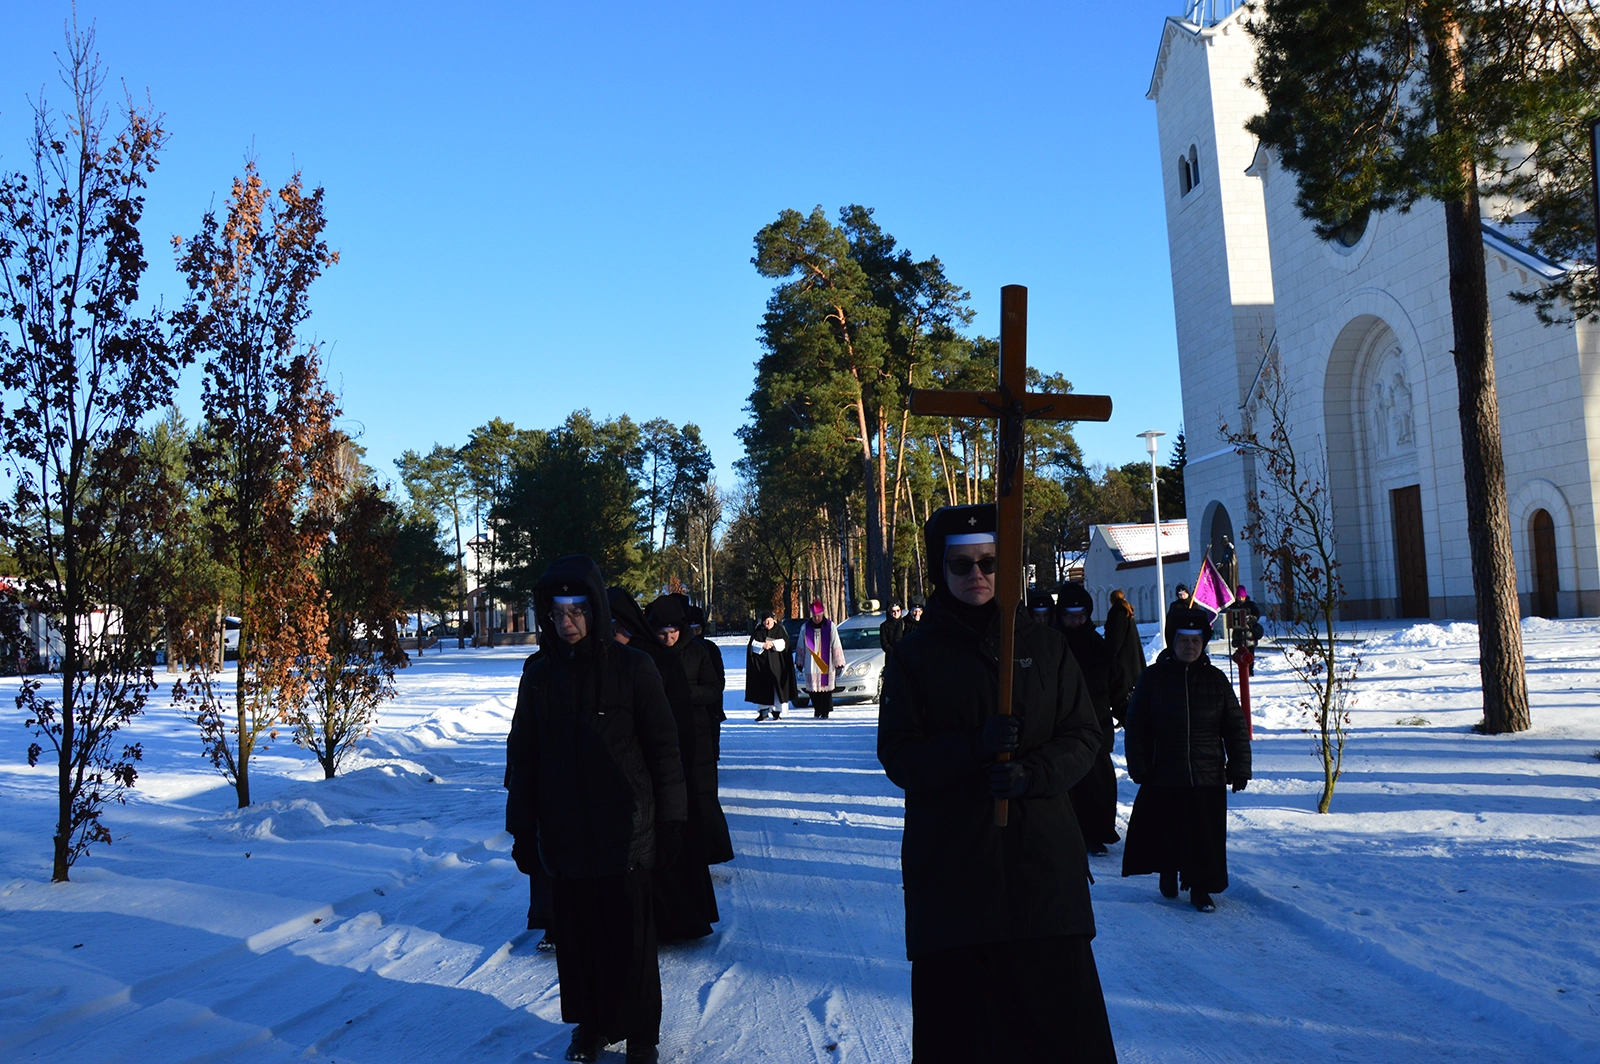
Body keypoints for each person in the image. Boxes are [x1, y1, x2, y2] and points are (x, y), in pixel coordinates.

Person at [878, 504, 1118, 1063]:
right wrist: (972, 747)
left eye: (988, 562)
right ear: (941, 569)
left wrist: (1032, 774)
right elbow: (900, 756)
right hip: (955, 879)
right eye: (961, 565)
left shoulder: (1045, 646)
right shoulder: (915, 655)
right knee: (967, 1038)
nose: (977, 575)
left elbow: (1084, 735)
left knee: (1061, 1037)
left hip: (1043, 876)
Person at [505, 555, 686, 1064]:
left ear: (596, 610)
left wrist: (673, 820)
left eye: (577, 611)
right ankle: (591, 1025)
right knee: (579, 941)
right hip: (564, 835)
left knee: (630, 940)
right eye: (557, 612)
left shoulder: (634, 668)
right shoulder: (539, 677)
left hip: (625, 832)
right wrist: (522, 829)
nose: (567, 622)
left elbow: (664, 751)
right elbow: (523, 757)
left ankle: (641, 1035)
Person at [1120, 606, 1252, 914]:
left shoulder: (1216, 680)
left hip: (1207, 773)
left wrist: (1239, 767)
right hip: (1165, 771)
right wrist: (1139, 765)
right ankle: (1168, 870)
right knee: (1168, 829)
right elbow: (1136, 726)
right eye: (1183, 640)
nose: (1190, 646)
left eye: (1196, 640)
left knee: (1204, 836)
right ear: (1172, 641)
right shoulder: (1152, 679)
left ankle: (1201, 889)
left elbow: (1234, 726)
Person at [610, 588, 719, 943]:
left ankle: (673, 919)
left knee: (669, 849)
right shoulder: (612, 661)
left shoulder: (654, 661)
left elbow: (678, 726)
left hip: (666, 767)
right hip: (629, 773)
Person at [647, 595, 735, 865]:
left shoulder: (698, 651)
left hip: (696, 732)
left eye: (673, 632)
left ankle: (707, 852)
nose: (668, 638)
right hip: (661, 732)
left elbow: (713, 688)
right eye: (662, 633)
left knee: (700, 794)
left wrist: (684, 694)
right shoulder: (648, 654)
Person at [1055, 582, 1120, 856]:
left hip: (1097, 724)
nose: (1075, 622)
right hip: (1061, 727)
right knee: (1068, 784)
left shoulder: (1098, 646)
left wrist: (1125, 713)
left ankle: (1097, 833)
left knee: (1099, 785)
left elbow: (1116, 684)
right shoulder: (1053, 645)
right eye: (1070, 617)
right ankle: (1068, 833)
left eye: (1080, 616)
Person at [796, 600, 846, 719]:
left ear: (822, 614)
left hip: (826, 662)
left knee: (826, 689)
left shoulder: (830, 626)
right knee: (813, 689)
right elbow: (801, 645)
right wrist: (800, 662)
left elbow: (836, 643)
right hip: (811, 662)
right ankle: (817, 709)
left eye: (818, 616)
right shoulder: (805, 627)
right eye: (814, 616)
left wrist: (838, 661)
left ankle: (825, 711)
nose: (816, 618)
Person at [1103, 589, 1146, 726]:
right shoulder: (1126, 611)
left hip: (1123, 657)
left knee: (1124, 688)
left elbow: (1115, 637)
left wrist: (1110, 654)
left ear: (1111, 601)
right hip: (1130, 655)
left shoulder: (1117, 613)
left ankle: (1127, 716)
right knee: (1128, 688)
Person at [745, 612, 797, 720]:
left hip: (777, 666)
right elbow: (752, 646)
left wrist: (773, 644)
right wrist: (762, 645)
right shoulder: (758, 631)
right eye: (765, 621)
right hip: (762, 667)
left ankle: (776, 711)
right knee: (763, 689)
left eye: (769, 620)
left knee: (777, 688)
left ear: (774, 620)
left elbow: (784, 644)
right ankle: (763, 712)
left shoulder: (779, 630)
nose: (767, 623)